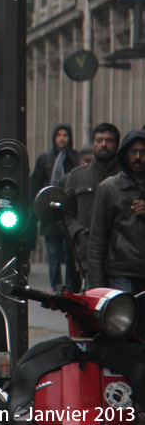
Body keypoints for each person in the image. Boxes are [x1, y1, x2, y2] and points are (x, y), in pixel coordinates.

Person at [87, 129, 145, 296]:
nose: (138, 157)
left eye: (142, 151)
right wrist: (97, 285)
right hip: (122, 275)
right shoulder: (109, 188)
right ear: (125, 154)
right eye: (133, 151)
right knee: (125, 322)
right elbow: (97, 240)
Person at [62, 123, 120, 288]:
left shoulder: (126, 177)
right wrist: (78, 232)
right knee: (92, 303)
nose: (103, 145)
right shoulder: (77, 177)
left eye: (109, 140)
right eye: (99, 140)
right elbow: (63, 213)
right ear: (92, 143)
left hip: (123, 258)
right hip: (87, 255)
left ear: (117, 144)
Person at [30, 123, 81, 290]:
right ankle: (56, 288)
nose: (62, 138)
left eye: (65, 135)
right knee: (53, 255)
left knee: (70, 254)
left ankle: (69, 288)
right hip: (49, 216)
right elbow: (35, 184)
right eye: (59, 135)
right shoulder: (45, 159)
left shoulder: (75, 158)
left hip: (69, 214)